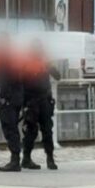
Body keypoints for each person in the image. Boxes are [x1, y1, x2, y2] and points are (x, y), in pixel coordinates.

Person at [21, 40, 61, 170]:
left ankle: (48, 157)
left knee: (44, 130)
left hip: (42, 100)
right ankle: (28, 158)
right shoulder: (28, 63)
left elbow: (57, 76)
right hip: (33, 100)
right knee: (33, 130)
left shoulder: (43, 62)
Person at [0, 33, 25, 172]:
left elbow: (6, 79)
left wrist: (3, 97)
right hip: (16, 97)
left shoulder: (5, 58)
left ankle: (15, 160)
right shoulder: (16, 56)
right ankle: (15, 158)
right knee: (12, 128)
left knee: (10, 127)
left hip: (9, 99)